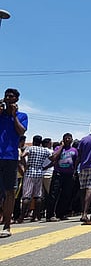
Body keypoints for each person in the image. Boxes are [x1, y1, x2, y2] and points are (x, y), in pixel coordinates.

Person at [0, 88, 28, 238]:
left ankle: (7, 225)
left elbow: (21, 131)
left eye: (11, 96)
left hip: (10, 157)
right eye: (6, 96)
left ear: (16, 100)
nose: (7, 98)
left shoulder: (22, 116)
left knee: (9, 192)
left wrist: (13, 115)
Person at [18, 135, 53, 223]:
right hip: (39, 172)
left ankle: (21, 217)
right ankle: (36, 216)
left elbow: (22, 156)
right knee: (38, 195)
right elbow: (52, 158)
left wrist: (25, 165)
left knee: (26, 195)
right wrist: (45, 166)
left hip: (30, 172)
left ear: (33, 141)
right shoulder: (44, 150)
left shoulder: (30, 148)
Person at [45, 133, 78, 221]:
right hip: (58, 173)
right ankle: (50, 215)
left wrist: (74, 172)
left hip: (69, 175)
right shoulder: (57, 148)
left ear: (72, 140)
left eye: (69, 138)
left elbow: (76, 161)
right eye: (65, 138)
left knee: (66, 195)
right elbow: (54, 157)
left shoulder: (74, 150)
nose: (67, 140)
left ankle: (61, 213)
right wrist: (61, 147)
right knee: (54, 194)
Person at [76, 122, 91, 222]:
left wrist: (75, 168)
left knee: (83, 189)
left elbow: (79, 155)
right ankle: (85, 213)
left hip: (83, 166)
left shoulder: (83, 139)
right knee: (90, 188)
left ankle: (83, 211)